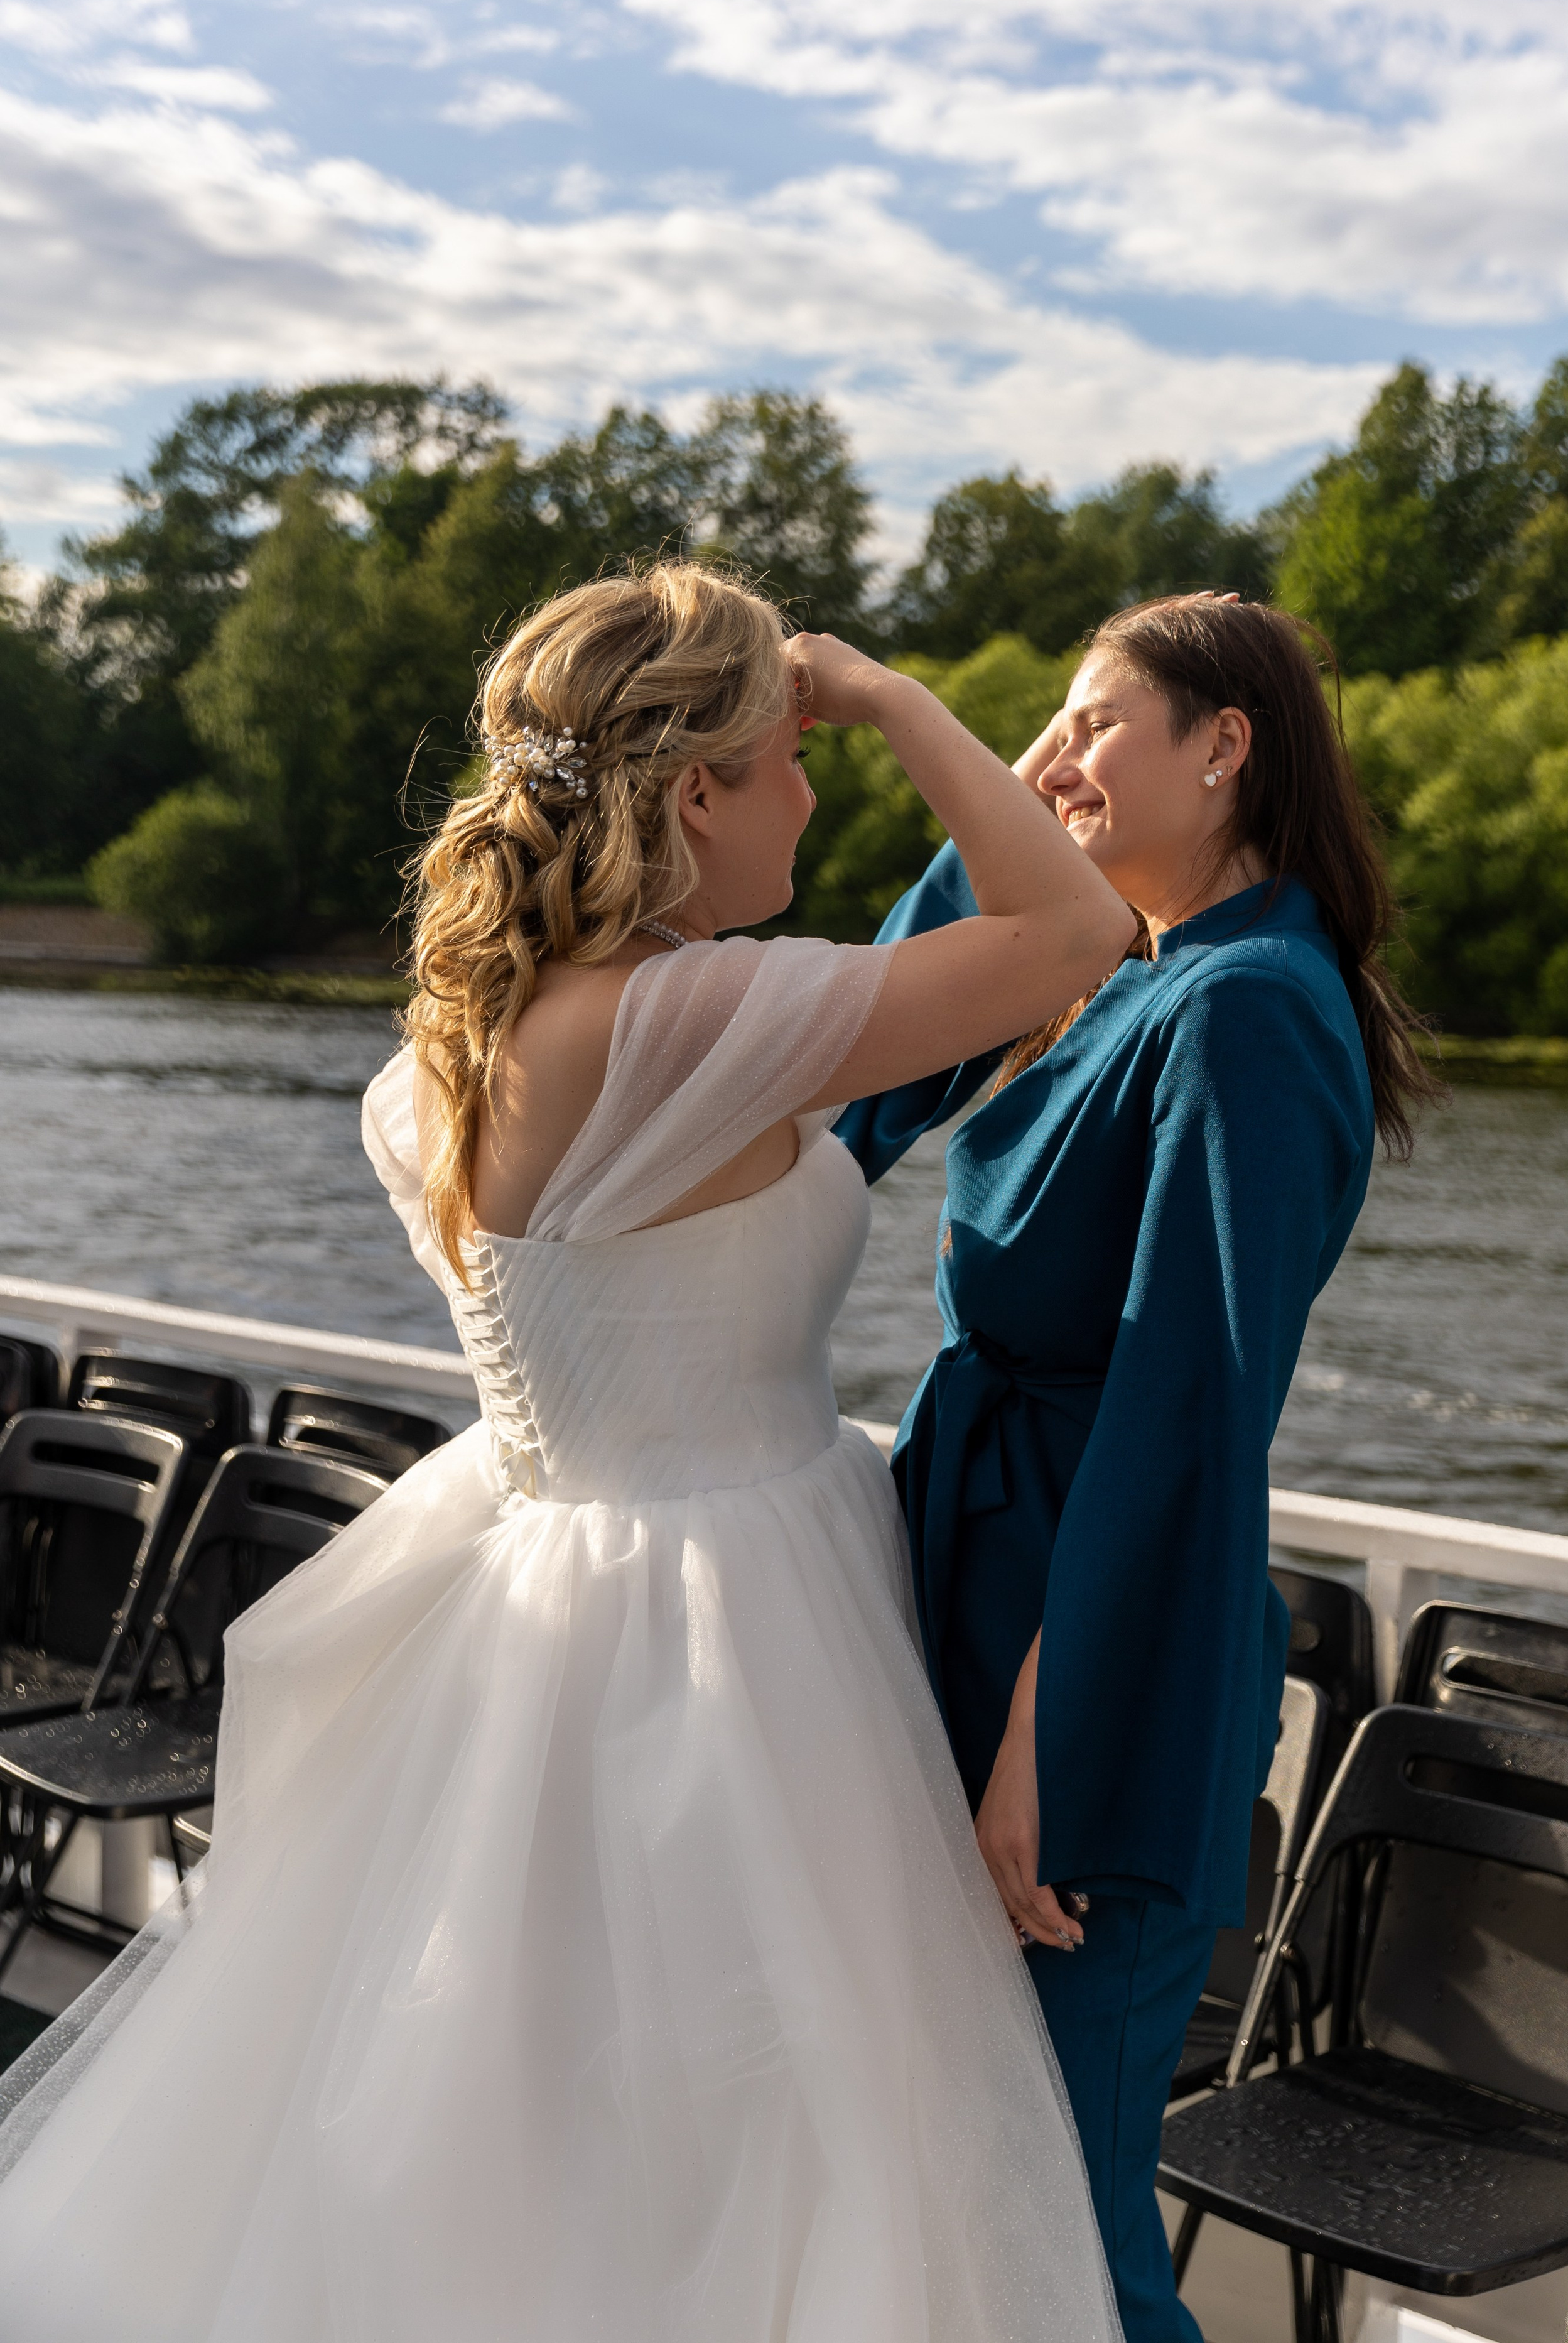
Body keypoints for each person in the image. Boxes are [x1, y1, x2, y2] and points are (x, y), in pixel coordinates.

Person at [0, 560, 1138, 2342]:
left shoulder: (446, 1051)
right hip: (740, 1628)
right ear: (694, 793)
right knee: (757, 2133)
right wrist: (908, 702)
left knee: (537, 2124)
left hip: (533, 1593)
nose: (814, 790)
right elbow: (1075, 937)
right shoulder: (692, 1021)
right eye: (787, 757)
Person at [836, 595, 1440, 2343]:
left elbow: (1188, 1404)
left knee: (1063, 2221)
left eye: (1097, 722)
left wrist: (1051, 1730)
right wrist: (1006, 811)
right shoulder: (1133, 967)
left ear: (1224, 743)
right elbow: (863, 1074)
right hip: (983, 1579)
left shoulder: (1251, 1009)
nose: (1061, 758)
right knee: (956, 2176)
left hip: (1094, 1656)